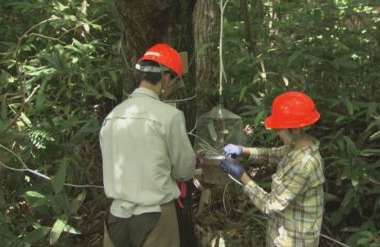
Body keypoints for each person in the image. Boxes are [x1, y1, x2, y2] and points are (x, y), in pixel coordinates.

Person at [99, 43, 196, 247]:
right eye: (174, 83)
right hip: (155, 215)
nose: (171, 90)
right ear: (166, 77)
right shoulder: (169, 116)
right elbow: (185, 169)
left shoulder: (112, 116)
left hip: (117, 217)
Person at [220, 91, 325, 247]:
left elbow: (270, 205)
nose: (276, 132)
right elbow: (272, 154)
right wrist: (243, 150)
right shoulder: (296, 147)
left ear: (295, 129)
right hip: (280, 235)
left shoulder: (305, 164)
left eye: (278, 129)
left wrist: (242, 175)